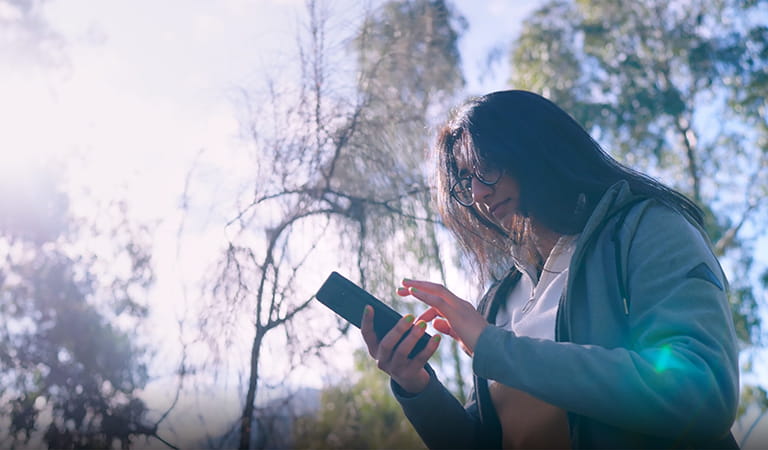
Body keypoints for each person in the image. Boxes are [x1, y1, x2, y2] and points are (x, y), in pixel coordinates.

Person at [359, 90, 740, 449]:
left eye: (486, 167)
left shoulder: (646, 229)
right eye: (465, 179)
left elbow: (703, 395)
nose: (477, 194)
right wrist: (416, 387)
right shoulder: (500, 299)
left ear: (535, 147)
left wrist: (492, 346)